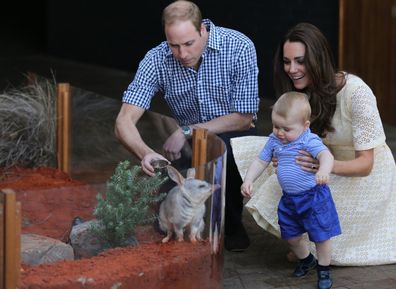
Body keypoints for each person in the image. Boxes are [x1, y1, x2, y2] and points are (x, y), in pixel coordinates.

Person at [231, 22, 396, 266]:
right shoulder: (300, 93)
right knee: (258, 152)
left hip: (364, 177)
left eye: (300, 61)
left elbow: (366, 165)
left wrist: (321, 166)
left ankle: (313, 245)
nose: (292, 69)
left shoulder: (356, 92)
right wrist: (284, 154)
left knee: (307, 196)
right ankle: (301, 243)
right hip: (323, 161)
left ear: (318, 59)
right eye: (287, 62)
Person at [114, 0, 260, 251]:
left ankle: (232, 225)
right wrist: (145, 152)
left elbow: (244, 117)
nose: (182, 54)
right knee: (167, 223)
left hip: (232, 133)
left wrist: (186, 130)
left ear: (203, 29)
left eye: (189, 43)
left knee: (224, 153)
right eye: (174, 46)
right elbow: (123, 122)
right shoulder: (156, 59)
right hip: (185, 143)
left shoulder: (239, 46)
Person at [241, 91, 340, 289]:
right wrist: (248, 179)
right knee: (291, 235)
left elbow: (326, 156)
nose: (279, 132)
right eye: (276, 126)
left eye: (286, 128)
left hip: (313, 197)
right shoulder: (275, 140)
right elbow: (261, 160)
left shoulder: (308, 140)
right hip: (289, 199)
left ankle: (323, 270)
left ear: (305, 126)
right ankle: (306, 260)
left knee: (321, 236)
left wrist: (323, 170)